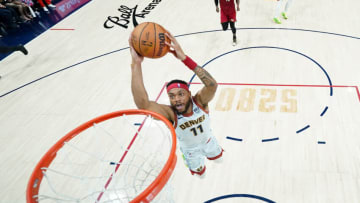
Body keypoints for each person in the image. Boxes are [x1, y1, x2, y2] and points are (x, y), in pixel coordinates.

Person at [129, 32, 224, 178]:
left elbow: (212, 85)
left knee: (220, 160)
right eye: (172, 96)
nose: (176, 99)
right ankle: (191, 163)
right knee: (201, 175)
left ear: (188, 94)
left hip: (209, 141)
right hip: (190, 150)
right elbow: (143, 104)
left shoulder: (199, 101)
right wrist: (136, 64)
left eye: (180, 94)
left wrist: (185, 59)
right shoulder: (170, 113)